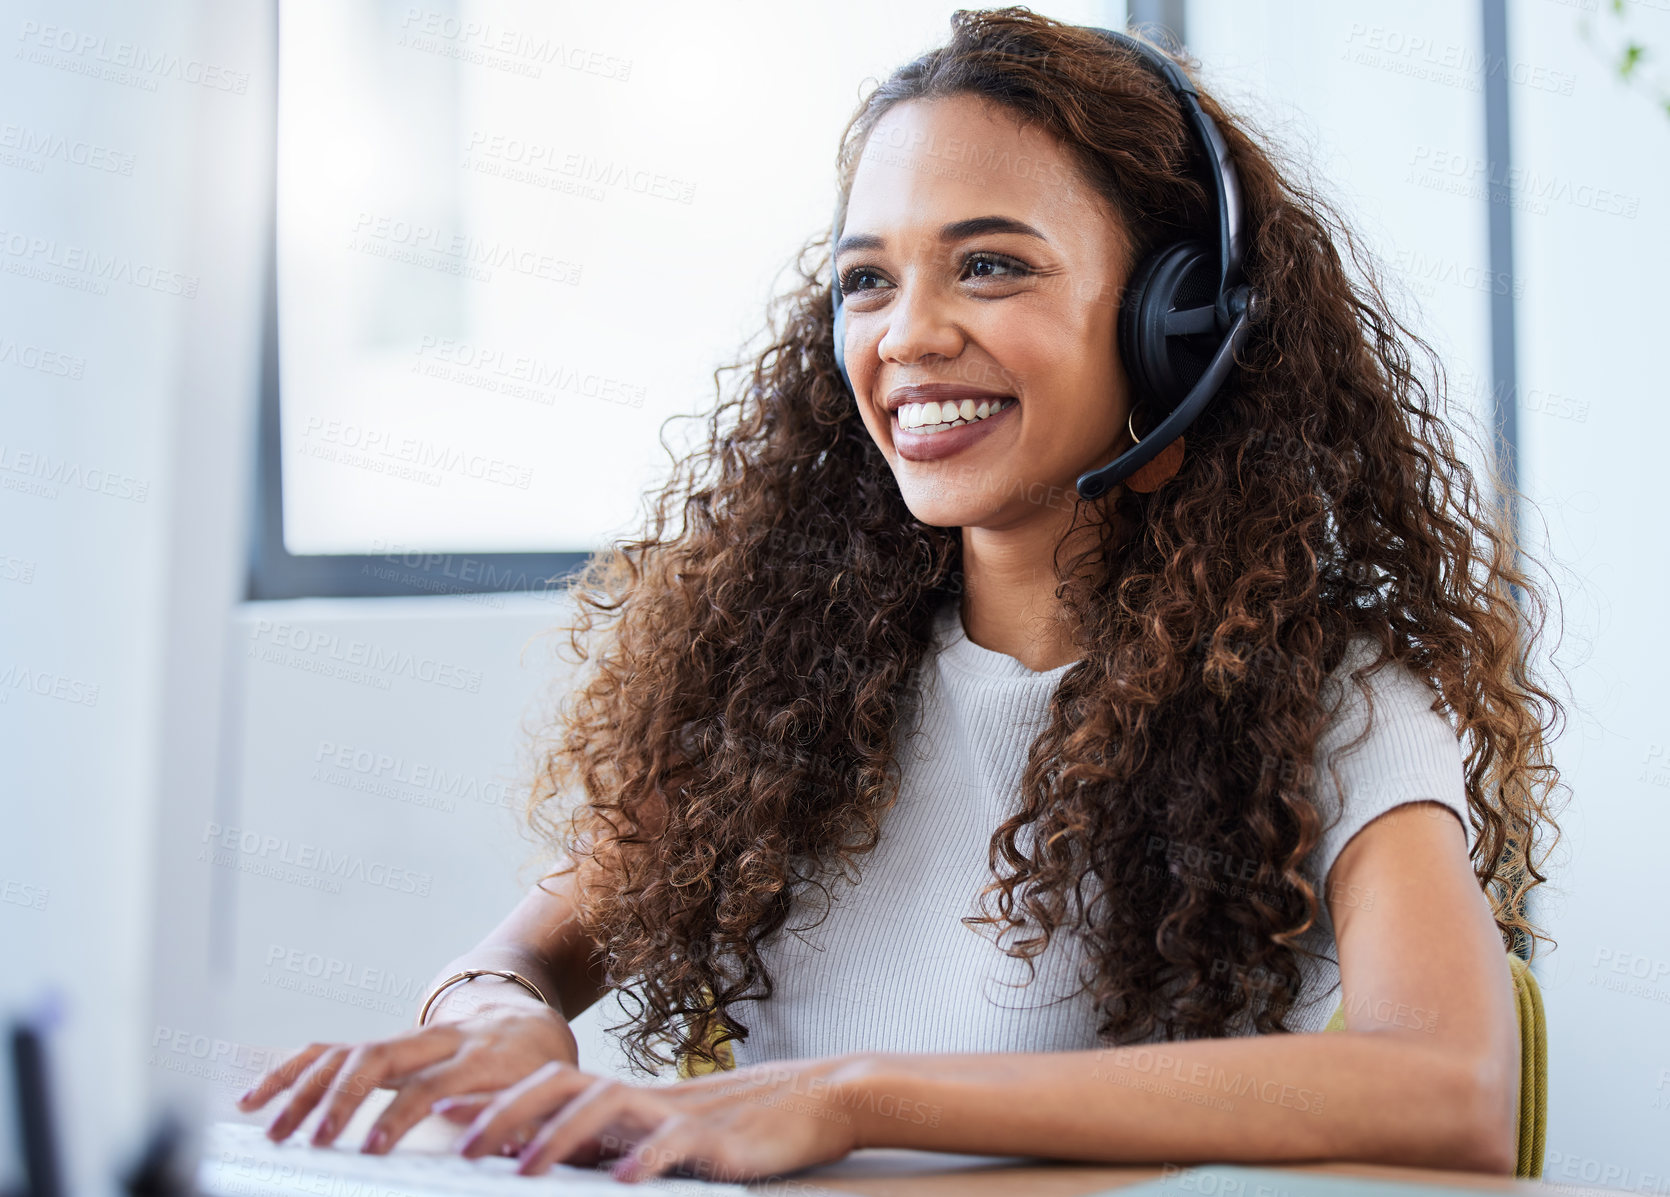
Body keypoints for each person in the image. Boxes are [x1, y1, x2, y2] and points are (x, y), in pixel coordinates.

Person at [237, 8, 1564, 1182]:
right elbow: (509, 961)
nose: (906, 333)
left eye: (990, 263)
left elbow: (1448, 1087)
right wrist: (496, 1020)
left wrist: (848, 1096)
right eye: (866, 277)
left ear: (1176, 333)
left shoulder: (1322, 692)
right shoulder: (785, 677)